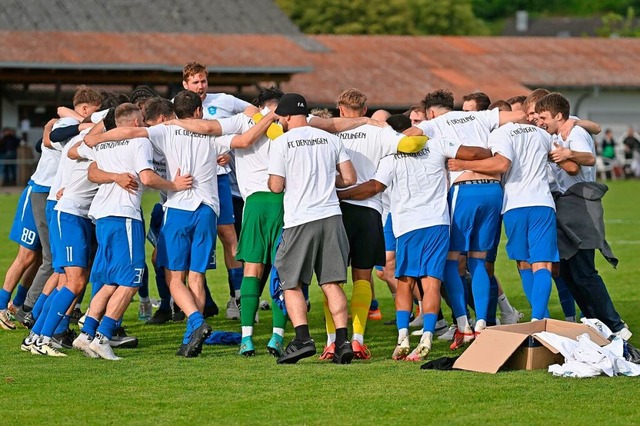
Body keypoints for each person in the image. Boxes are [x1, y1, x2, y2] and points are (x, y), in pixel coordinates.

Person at [85, 91, 276, 357]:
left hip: (178, 209)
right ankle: (191, 335)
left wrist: (97, 138)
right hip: (208, 210)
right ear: (199, 111)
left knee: (174, 277)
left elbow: (130, 134)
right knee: (197, 276)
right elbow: (245, 140)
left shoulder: (165, 131)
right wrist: (270, 118)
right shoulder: (211, 135)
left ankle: (196, 323)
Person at [337, 130, 491, 361]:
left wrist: (341, 194)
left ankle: (403, 337)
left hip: (407, 226)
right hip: (438, 225)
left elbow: (373, 188)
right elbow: (477, 152)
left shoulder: (391, 158)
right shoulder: (438, 145)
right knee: (431, 284)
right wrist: (476, 157)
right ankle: (427, 335)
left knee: (405, 282)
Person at [321, 88, 427, 361]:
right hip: (368, 212)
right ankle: (357, 340)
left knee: (330, 280)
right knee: (363, 278)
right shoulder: (381, 132)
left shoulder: (331, 130)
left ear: (341, 111)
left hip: (334, 210)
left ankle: (333, 341)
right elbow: (414, 140)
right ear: (365, 110)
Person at [448, 117, 568, 321]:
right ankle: (539, 319)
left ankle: (538, 319)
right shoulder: (542, 134)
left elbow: (501, 164)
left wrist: (463, 164)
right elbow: (569, 164)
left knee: (524, 264)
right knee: (543, 265)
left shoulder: (500, 134)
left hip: (514, 205)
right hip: (542, 203)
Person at [268, 93, 357, 365]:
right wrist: (327, 182)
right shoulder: (331, 139)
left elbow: (275, 186)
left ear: (285, 117)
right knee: (332, 283)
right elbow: (350, 178)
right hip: (331, 215)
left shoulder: (281, 143)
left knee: (291, 281)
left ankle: (302, 338)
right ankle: (342, 341)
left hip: (300, 219)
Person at [536, 92, 632, 340]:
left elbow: (588, 159)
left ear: (558, 115)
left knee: (584, 269)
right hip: (565, 204)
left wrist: (568, 155)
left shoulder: (574, 131)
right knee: (568, 271)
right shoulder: (560, 131)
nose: (539, 121)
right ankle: (593, 322)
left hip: (580, 203)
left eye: (543, 117)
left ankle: (616, 325)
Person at [182, 62, 248, 318]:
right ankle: (195, 302)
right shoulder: (177, 107)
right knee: (190, 241)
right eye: (195, 82)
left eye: (203, 81)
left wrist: (226, 154)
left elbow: (254, 112)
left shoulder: (225, 100)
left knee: (228, 235)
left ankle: (238, 297)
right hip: (189, 182)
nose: (201, 86)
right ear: (185, 84)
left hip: (219, 179)